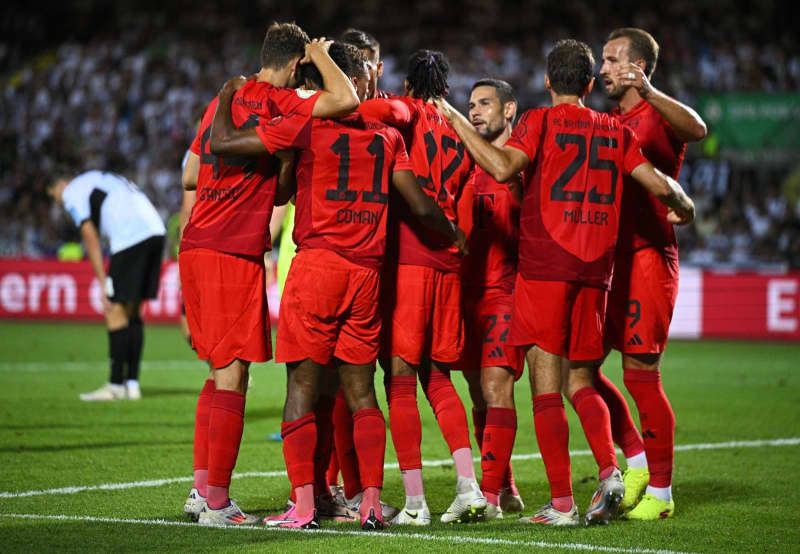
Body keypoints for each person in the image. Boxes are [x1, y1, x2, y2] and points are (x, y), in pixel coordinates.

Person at [435, 39, 695, 526]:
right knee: (582, 377)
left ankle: (561, 504)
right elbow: (659, 184)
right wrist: (684, 204)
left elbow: (500, 165)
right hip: (596, 277)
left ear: (549, 81)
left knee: (546, 389)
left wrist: (453, 120)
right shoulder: (613, 130)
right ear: (591, 83)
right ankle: (614, 469)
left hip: (545, 269)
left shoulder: (538, 121)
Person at [209, 42, 465, 530]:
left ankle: (303, 506)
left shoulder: (305, 125)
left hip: (318, 268)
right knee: (362, 390)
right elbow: (420, 203)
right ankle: (370, 503)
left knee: (302, 389)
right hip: (366, 274)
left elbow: (240, 157)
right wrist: (454, 233)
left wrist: (227, 101)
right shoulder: (390, 135)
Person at [179, 23, 359, 527]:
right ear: (296, 65)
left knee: (218, 374)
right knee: (235, 376)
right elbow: (343, 99)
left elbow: (190, 174)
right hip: (231, 251)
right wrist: (322, 56)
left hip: (196, 242)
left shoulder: (226, 96)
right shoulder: (280, 102)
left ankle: (201, 490)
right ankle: (217, 504)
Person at [359, 49, 483, 526]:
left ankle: (415, 503)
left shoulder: (408, 112)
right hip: (448, 266)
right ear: (448, 90)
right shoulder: (459, 130)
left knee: (400, 381)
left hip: (408, 262)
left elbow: (378, 111)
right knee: (438, 378)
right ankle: (468, 487)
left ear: (410, 86)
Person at [594, 27, 707, 520]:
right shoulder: (604, 121)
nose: (603, 68)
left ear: (638, 67)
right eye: (602, 59)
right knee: (576, 368)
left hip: (647, 258)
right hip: (606, 262)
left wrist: (653, 91)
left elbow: (698, 129)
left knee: (640, 375)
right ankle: (636, 459)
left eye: (613, 59)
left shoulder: (656, 115)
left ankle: (660, 494)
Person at [455, 79, 525, 519]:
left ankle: (491, 497)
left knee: (497, 389)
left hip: (505, 292)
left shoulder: (519, 162)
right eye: (470, 105)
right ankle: (508, 485)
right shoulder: (464, 163)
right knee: (478, 396)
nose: (476, 111)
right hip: (463, 296)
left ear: (510, 109)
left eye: (484, 104)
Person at [47, 170, 166, 402]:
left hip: (131, 236)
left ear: (61, 184)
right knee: (133, 310)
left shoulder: (72, 192)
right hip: (155, 232)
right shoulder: (98, 178)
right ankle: (132, 384)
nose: (58, 202)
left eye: (54, 196)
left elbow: (89, 235)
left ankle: (114, 385)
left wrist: (102, 281)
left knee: (114, 309)